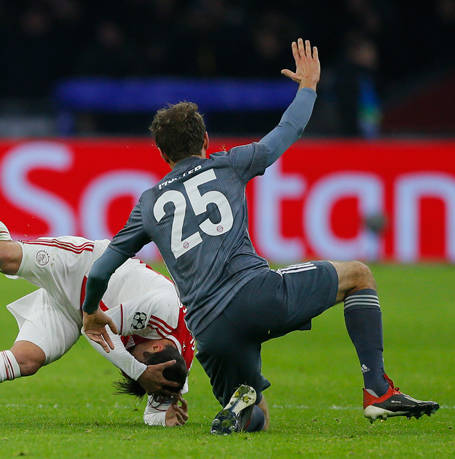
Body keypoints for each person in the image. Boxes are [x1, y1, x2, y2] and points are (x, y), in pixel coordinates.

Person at [80, 38, 439, 434]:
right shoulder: (230, 164)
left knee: (257, 417)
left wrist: (92, 310)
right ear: (205, 141)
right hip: (256, 296)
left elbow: (101, 270)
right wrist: (308, 87)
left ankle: (241, 408)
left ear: (163, 155)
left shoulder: (148, 203)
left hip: (209, 332)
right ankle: (378, 390)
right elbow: (288, 129)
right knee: (358, 275)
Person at [0, 163, 198, 428]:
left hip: (75, 312)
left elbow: (154, 414)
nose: (132, 360)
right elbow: (95, 325)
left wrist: (166, 416)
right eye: (139, 358)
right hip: (84, 269)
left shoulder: (168, 372)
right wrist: (138, 371)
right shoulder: (165, 308)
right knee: (3, 256)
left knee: (27, 361)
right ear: (157, 345)